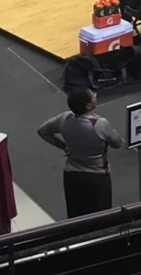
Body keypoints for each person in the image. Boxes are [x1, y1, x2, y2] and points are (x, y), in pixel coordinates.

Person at [39, 88, 123, 217]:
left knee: (76, 217)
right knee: (102, 218)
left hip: (72, 175)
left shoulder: (64, 118)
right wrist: (102, 121)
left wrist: (64, 146)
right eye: (92, 96)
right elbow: (117, 143)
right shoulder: (100, 124)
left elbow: (43, 131)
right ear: (88, 105)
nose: (95, 95)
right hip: (97, 177)